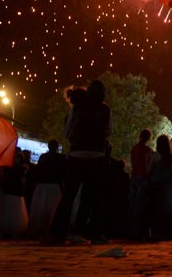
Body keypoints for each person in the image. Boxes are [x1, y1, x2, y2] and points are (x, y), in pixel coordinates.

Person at [45, 80, 111, 245]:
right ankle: (84, 233)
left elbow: (66, 131)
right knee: (90, 199)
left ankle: (57, 233)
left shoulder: (77, 108)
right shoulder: (106, 109)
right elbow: (109, 131)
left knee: (69, 196)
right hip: (96, 157)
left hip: (76, 156)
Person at [28, 140, 65, 238]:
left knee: (41, 208)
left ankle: (40, 229)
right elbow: (63, 173)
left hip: (43, 185)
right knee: (52, 208)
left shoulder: (44, 157)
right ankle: (49, 230)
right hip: (54, 185)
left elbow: (38, 170)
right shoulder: (61, 158)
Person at [149, 134, 172, 241]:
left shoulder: (155, 156)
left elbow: (149, 170)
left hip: (156, 184)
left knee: (157, 210)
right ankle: (170, 233)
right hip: (167, 186)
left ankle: (158, 233)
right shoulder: (170, 157)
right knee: (168, 209)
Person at [129, 129, 155, 239]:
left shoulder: (134, 149)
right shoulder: (148, 150)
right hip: (143, 178)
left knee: (133, 204)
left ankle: (131, 230)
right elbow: (148, 166)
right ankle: (139, 231)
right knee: (141, 206)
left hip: (134, 177)